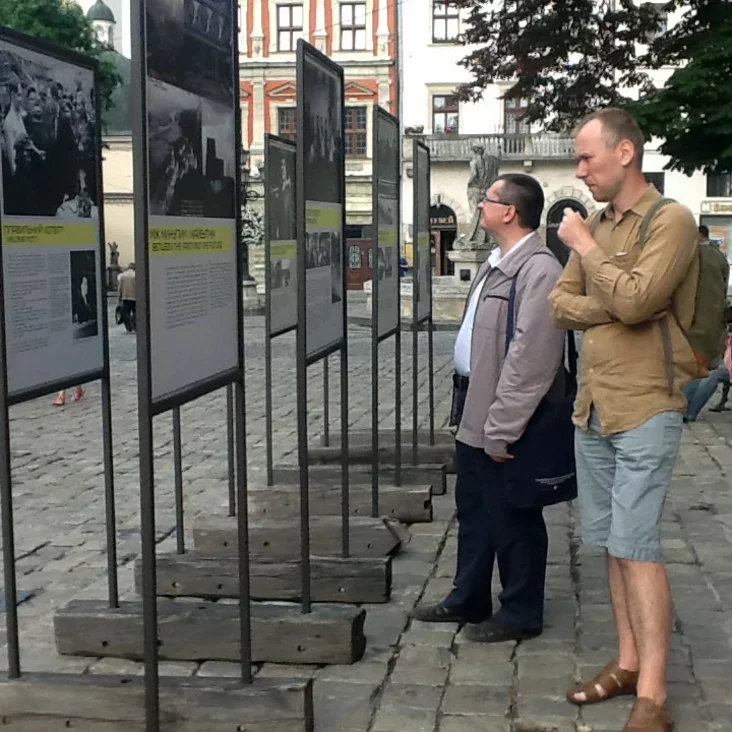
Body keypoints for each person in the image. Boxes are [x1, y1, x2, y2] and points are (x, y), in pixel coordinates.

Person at [549, 108, 698, 732]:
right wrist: (615, 304)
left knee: (637, 547)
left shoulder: (671, 220)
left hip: (646, 405)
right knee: (611, 543)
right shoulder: (599, 223)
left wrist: (589, 255)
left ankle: (654, 697)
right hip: (593, 407)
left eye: (587, 157)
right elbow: (561, 304)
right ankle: (629, 662)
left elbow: (640, 299)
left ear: (626, 152)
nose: (581, 170)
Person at [411, 173, 565, 643]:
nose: (479, 206)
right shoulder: (495, 261)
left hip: (504, 412)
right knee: (475, 507)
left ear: (510, 212)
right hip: (473, 401)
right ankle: (469, 596)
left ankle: (521, 611)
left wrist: (503, 426)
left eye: (488, 199)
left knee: (513, 513)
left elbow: (532, 360)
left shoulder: (539, 270)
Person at [683, 226, 729, 422]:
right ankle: (687, 410)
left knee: (702, 370)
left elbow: (709, 298)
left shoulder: (704, 256)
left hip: (701, 325)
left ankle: (688, 411)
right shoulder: (714, 256)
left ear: (699, 235)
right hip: (708, 323)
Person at [117, 262, 136, 333]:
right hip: (135, 297)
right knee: (136, 312)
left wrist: (119, 297)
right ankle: (135, 326)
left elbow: (120, 287)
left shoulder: (123, 275)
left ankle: (128, 328)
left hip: (125, 297)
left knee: (126, 313)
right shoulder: (136, 275)